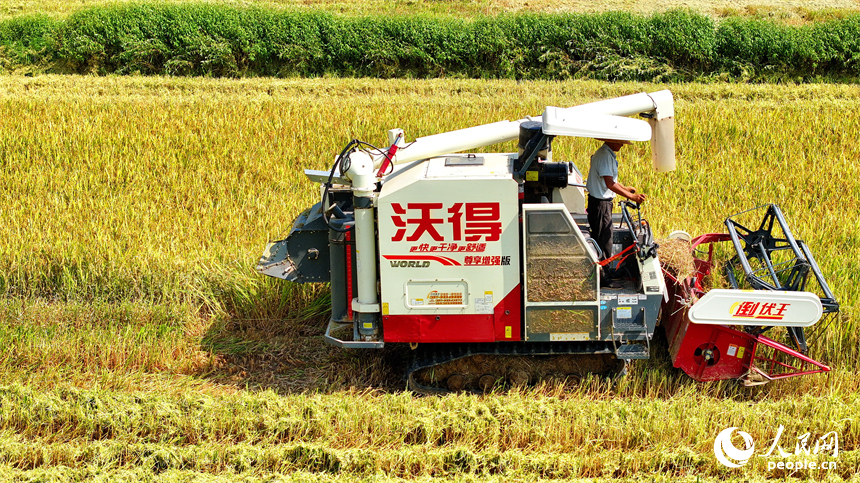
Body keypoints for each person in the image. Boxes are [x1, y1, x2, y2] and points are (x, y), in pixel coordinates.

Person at [586, 139, 646, 285]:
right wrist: (631, 196)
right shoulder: (605, 156)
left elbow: (610, 180)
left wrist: (625, 188)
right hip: (600, 204)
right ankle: (603, 278)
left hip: (599, 203)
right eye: (620, 142)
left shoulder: (605, 154)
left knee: (605, 237)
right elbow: (609, 184)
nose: (622, 145)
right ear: (612, 141)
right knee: (604, 239)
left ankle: (606, 271)